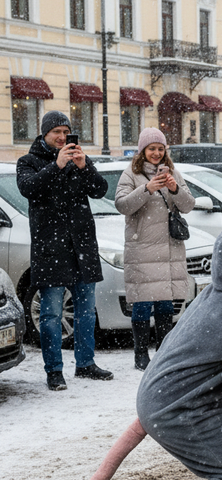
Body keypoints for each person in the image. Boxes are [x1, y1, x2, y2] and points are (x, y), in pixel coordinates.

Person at [16, 111, 114, 391]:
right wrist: (56, 166)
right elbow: (29, 189)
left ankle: (85, 364)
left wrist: (84, 168)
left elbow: (100, 190)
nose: (61, 137)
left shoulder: (77, 159)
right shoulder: (29, 162)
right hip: (51, 249)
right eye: (56, 132)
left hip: (81, 246)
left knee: (85, 311)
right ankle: (54, 371)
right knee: (50, 315)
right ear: (44, 134)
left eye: (65, 132)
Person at [114, 128, 195, 371]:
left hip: (169, 248)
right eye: (152, 149)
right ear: (142, 151)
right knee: (141, 303)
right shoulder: (131, 174)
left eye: (160, 149)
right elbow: (122, 205)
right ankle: (140, 353)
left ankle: (163, 352)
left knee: (165, 304)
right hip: (143, 249)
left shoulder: (174, 173)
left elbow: (189, 205)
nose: (157, 153)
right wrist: (147, 188)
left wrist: (174, 189)